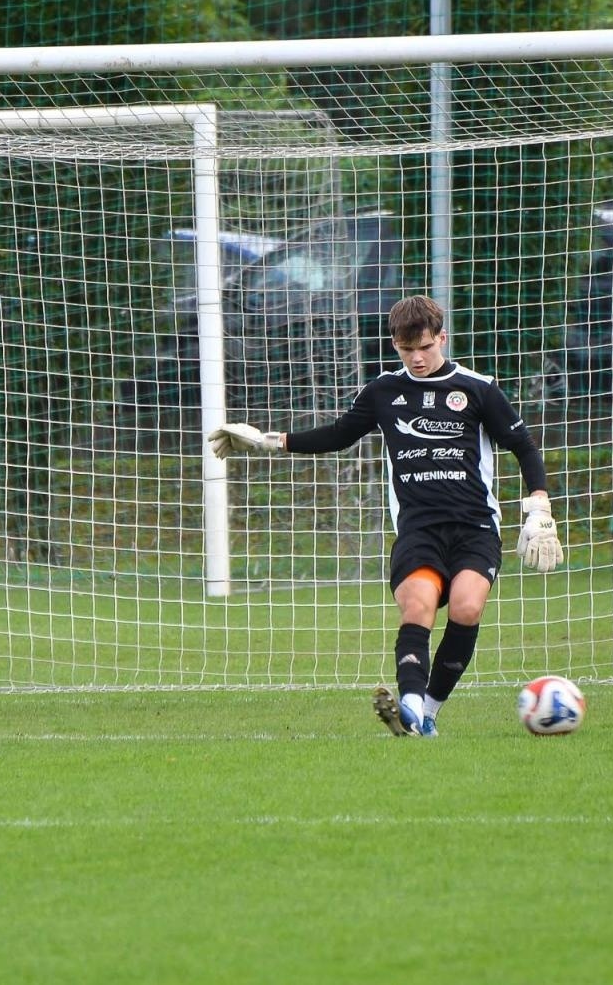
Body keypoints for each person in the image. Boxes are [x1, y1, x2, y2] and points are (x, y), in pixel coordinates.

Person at [209, 294, 562, 736]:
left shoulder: (478, 388)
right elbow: (338, 435)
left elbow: (523, 446)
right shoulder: (384, 392)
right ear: (395, 344)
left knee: (468, 608)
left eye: (425, 347)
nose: (417, 358)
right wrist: (269, 441)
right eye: (406, 349)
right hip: (418, 529)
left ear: (442, 338)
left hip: (475, 527)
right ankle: (409, 706)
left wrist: (539, 506)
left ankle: (428, 712)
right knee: (417, 606)